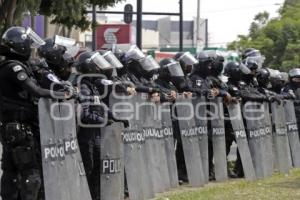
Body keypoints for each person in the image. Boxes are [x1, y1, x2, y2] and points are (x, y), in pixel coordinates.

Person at [0, 26, 69, 200]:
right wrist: (62, 94)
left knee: (11, 174)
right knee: (31, 175)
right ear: (21, 47)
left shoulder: (13, 65)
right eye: (28, 46)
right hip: (20, 129)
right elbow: (35, 91)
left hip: (13, 128)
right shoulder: (13, 67)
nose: (31, 51)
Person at [74, 51, 127, 200]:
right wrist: (103, 120)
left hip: (95, 133)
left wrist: (115, 117)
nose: (99, 69)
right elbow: (84, 114)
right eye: (96, 65)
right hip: (85, 135)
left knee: (97, 167)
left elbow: (101, 104)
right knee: (88, 168)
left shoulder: (91, 85)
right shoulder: (83, 85)